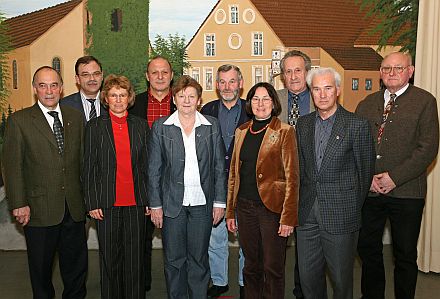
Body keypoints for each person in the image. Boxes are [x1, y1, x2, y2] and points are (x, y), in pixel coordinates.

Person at [356, 52, 439, 299]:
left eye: (398, 68)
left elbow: (427, 148)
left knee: (404, 255)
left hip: (407, 193)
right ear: (380, 73)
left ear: (410, 71)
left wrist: (394, 177)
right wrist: (368, 176)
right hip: (370, 192)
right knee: (368, 249)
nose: (392, 73)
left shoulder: (425, 101)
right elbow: (357, 145)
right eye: (386, 68)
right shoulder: (366, 103)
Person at [2, 66, 87, 299]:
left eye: (53, 85)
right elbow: (12, 166)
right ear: (34, 89)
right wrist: (18, 203)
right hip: (38, 210)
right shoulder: (19, 121)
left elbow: (82, 162)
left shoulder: (76, 118)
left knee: (76, 268)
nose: (49, 91)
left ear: (61, 88)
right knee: (40, 271)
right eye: (42, 85)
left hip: (74, 208)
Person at [295, 67, 375, 299]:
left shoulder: (356, 125)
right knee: (309, 280)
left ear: (338, 90)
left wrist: (349, 207)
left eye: (328, 88)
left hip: (341, 217)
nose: (322, 94)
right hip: (307, 216)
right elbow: (300, 169)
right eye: (316, 89)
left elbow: (365, 173)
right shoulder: (304, 124)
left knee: (341, 281)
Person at [148, 75, 226, 298]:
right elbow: (154, 169)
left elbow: (219, 167)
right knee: (174, 260)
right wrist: (155, 205)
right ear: (174, 99)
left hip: (202, 204)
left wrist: (220, 202)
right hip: (173, 204)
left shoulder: (211, 125)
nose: (186, 100)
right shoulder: (162, 127)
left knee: (199, 259)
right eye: (182, 96)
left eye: (192, 96)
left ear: (199, 100)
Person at [226, 82, 299, 299]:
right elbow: (233, 175)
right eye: (255, 99)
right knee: (250, 266)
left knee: (272, 268)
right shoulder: (240, 131)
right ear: (249, 103)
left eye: (265, 98)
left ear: (273, 103)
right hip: (245, 208)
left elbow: (292, 178)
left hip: (272, 211)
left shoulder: (285, 131)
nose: (260, 103)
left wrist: (288, 218)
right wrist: (231, 211)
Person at [82, 74, 150, 298]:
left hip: (136, 204)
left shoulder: (140, 126)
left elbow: (148, 166)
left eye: (122, 95)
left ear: (130, 97)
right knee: (110, 261)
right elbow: (89, 167)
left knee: (135, 260)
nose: (118, 100)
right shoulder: (94, 127)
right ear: (106, 98)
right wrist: (92, 202)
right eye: (113, 95)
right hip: (106, 204)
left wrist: (150, 200)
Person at [201, 64, 249, 299]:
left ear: (240, 83)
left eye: (232, 81)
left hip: (245, 183)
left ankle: (244, 281)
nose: (227, 86)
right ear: (216, 84)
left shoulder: (252, 110)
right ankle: (219, 281)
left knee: (246, 237)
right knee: (216, 235)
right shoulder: (207, 110)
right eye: (222, 82)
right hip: (215, 183)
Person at [129, 55, 177, 291]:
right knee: (140, 240)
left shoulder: (182, 104)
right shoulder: (132, 104)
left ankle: (177, 287)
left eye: (164, 72)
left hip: (174, 184)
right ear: (147, 76)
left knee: (175, 241)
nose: (160, 77)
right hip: (139, 182)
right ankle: (142, 285)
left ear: (171, 75)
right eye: (155, 72)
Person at [277, 49, 314, 298]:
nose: (293, 76)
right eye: (288, 71)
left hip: (311, 184)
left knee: (307, 247)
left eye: (298, 70)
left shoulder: (321, 98)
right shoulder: (273, 99)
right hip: (277, 184)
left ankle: (302, 291)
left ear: (307, 73)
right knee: (275, 247)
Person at [61, 55, 106, 122]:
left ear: (102, 76)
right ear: (78, 79)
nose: (92, 79)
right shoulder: (64, 106)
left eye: (96, 74)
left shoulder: (113, 103)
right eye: (86, 75)